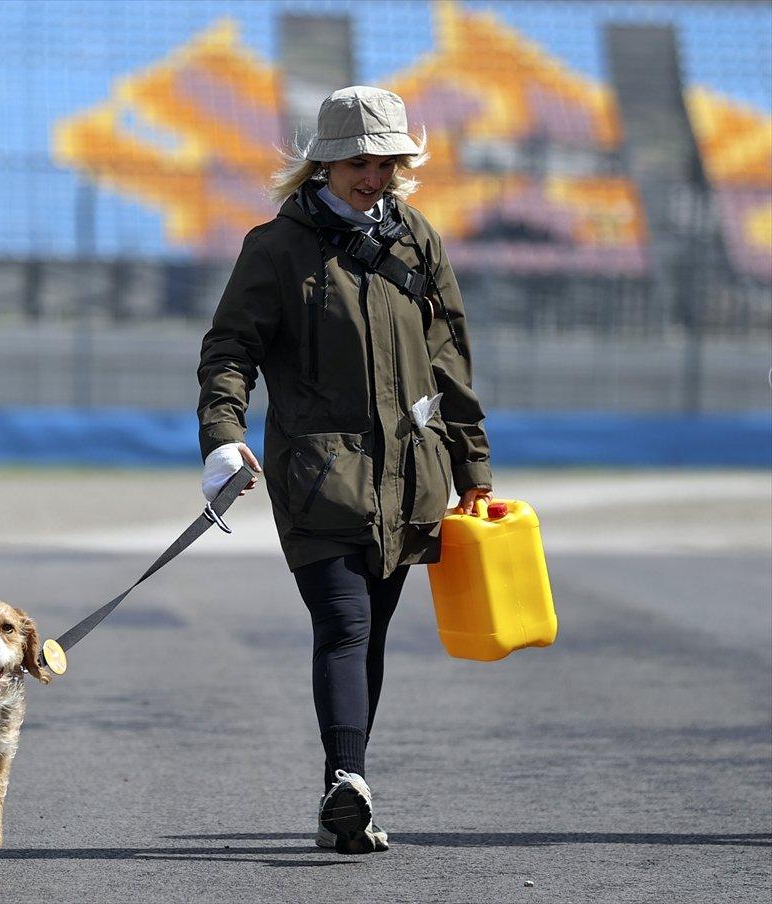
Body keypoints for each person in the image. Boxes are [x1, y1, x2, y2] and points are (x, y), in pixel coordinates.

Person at [196, 86, 492, 855]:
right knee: (344, 623)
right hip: (317, 476)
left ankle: (345, 785)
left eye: (387, 160)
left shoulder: (417, 239)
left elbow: (449, 360)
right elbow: (230, 351)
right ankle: (348, 783)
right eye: (359, 160)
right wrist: (222, 436)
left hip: (410, 476)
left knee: (374, 634)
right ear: (322, 161)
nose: (374, 175)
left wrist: (474, 471)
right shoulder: (275, 247)